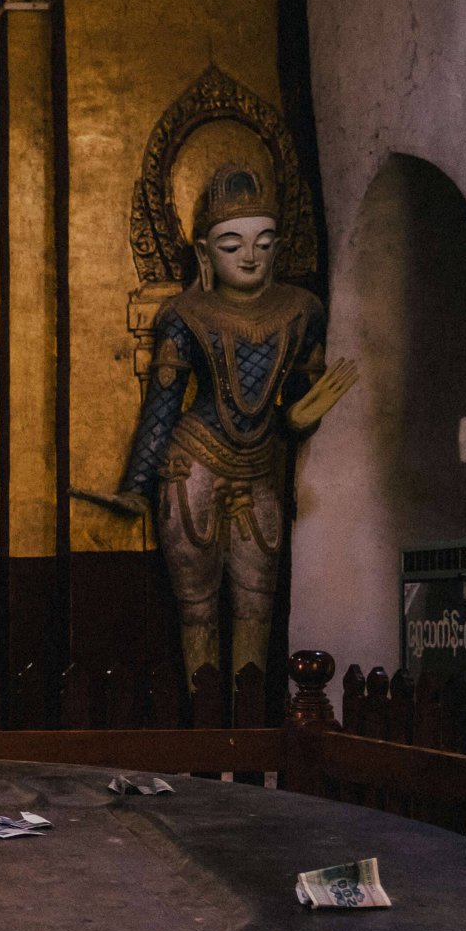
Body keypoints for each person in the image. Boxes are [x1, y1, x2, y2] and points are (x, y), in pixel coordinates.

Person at [85, 163, 356, 688]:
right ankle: (209, 734)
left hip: (261, 466)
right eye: (232, 246)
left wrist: (298, 421)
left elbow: (299, 401)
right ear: (205, 254)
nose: (250, 256)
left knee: (257, 607)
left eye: (263, 242)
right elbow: (162, 405)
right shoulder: (185, 315)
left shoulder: (304, 311)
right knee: (198, 612)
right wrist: (138, 488)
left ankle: (246, 741)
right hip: (195, 462)